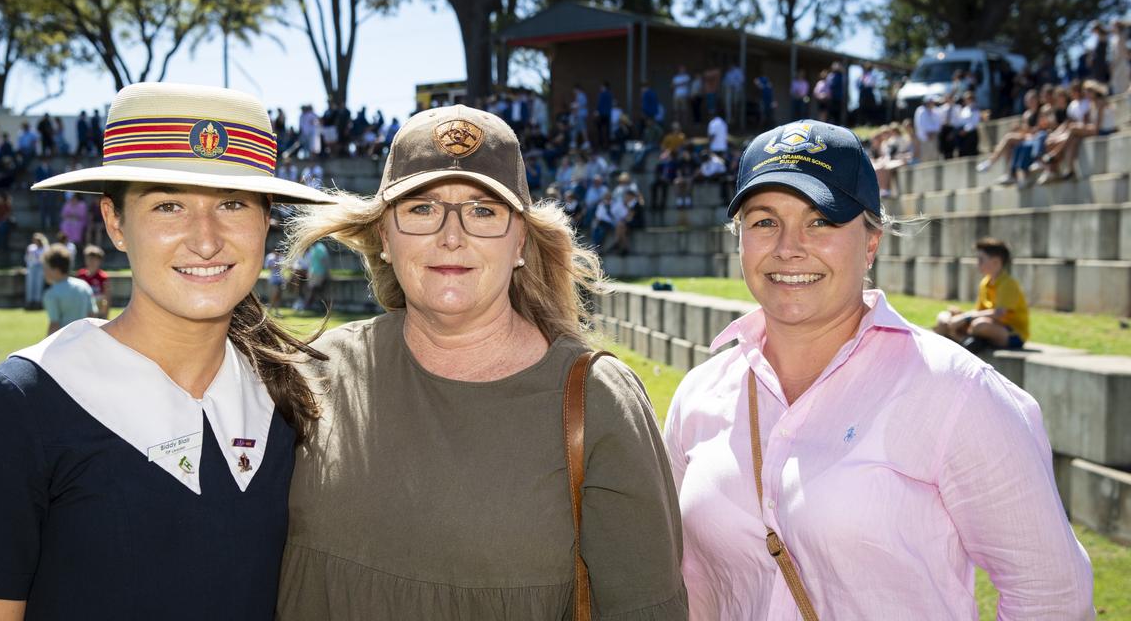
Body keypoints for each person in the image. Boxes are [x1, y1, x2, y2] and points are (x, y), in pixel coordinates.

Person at [0, 82, 334, 619]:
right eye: (169, 206)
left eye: (233, 204)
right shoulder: (19, 404)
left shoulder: (285, 397)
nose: (206, 239)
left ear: (266, 221)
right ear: (114, 222)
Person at [664, 120, 1093, 620]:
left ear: (872, 242)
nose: (788, 246)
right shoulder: (698, 394)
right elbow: (677, 578)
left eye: (821, 220)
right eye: (764, 222)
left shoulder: (956, 391)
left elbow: (1050, 595)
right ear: (740, 240)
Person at [278, 104, 688, 619]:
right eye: (422, 208)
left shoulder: (595, 399)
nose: (452, 236)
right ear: (385, 236)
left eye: (483, 210)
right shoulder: (315, 371)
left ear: (521, 239)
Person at [935, 238, 1030, 353]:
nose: (977, 263)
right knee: (944, 317)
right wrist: (960, 315)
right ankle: (966, 341)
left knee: (979, 325)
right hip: (988, 324)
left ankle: (966, 341)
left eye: (981, 260)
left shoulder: (1008, 284)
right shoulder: (985, 282)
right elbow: (979, 311)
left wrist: (966, 317)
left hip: (1012, 334)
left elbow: (999, 313)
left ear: (996, 261)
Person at [41, 243, 98, 334]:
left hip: (64, 343)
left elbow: (54, 324)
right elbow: (92, 315)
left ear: (56, 269)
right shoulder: (83, 286)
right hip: (83, 340)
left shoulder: (51, 294)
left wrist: (46, 347)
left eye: (46, 268)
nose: (44, 272)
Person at [76, 244, 112, 319]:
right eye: (89, 259)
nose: (91, 261)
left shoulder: (103, 277)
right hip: (83, 311)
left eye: (94, 259)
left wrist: (105, 314)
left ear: (99, 261)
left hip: (98, 312)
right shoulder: (80, 275)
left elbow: (107, 297)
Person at [24, 232, 49, 310]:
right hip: (31, 268)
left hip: (41, 268)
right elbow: (27, 258)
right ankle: (29, 302)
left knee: (39, 285)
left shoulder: (45, 248)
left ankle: (38, 303)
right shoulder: (31, 247)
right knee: (30, 285)